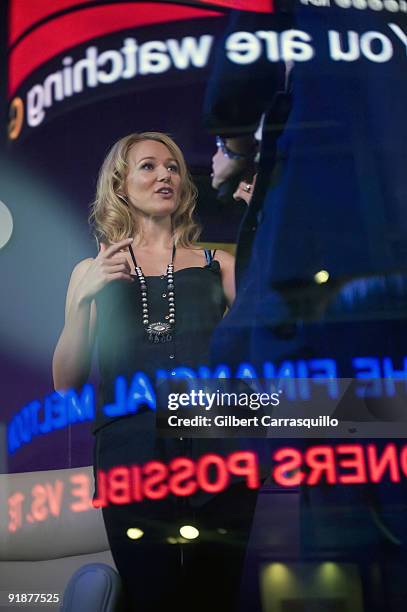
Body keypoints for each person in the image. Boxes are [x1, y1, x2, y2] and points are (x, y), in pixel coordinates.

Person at [52, 132, 258, 612]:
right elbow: (66, 384)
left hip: (218, 448)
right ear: (121, 185)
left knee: (216, 597)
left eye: (172, 167)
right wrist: (86, 298)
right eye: (148, 166)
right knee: (153, 597)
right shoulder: (93, 270)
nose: (165, 174)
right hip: (131, 454)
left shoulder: (219, 264)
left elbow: (258, 344)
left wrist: (259, 223)